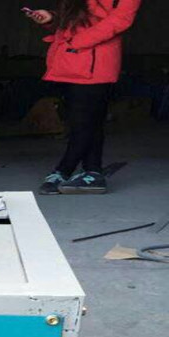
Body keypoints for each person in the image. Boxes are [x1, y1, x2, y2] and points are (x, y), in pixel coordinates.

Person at [27, 0, 142, 195]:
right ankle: (93, 172)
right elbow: (74, 19)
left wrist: (78, 41)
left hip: (95, 60)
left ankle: (64, 169)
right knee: (87, 119)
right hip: (71, 58)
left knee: (83, 121)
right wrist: (51, 18)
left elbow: (121, 19)